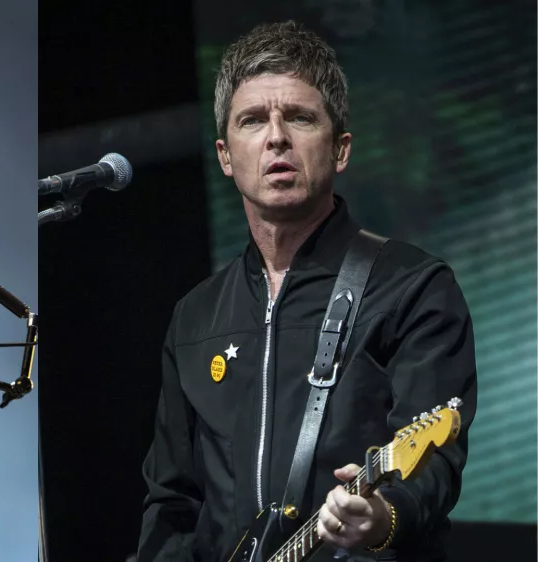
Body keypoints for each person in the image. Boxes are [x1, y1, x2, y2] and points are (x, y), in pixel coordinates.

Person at [137, 21, 476, 562]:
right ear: (226, 156)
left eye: (299, 117)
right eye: (253, 121)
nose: (276, 138)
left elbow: (433, 462)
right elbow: (172, 502)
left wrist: (382, 516)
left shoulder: (413, 287)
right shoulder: (195, 317)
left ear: (340, 149)